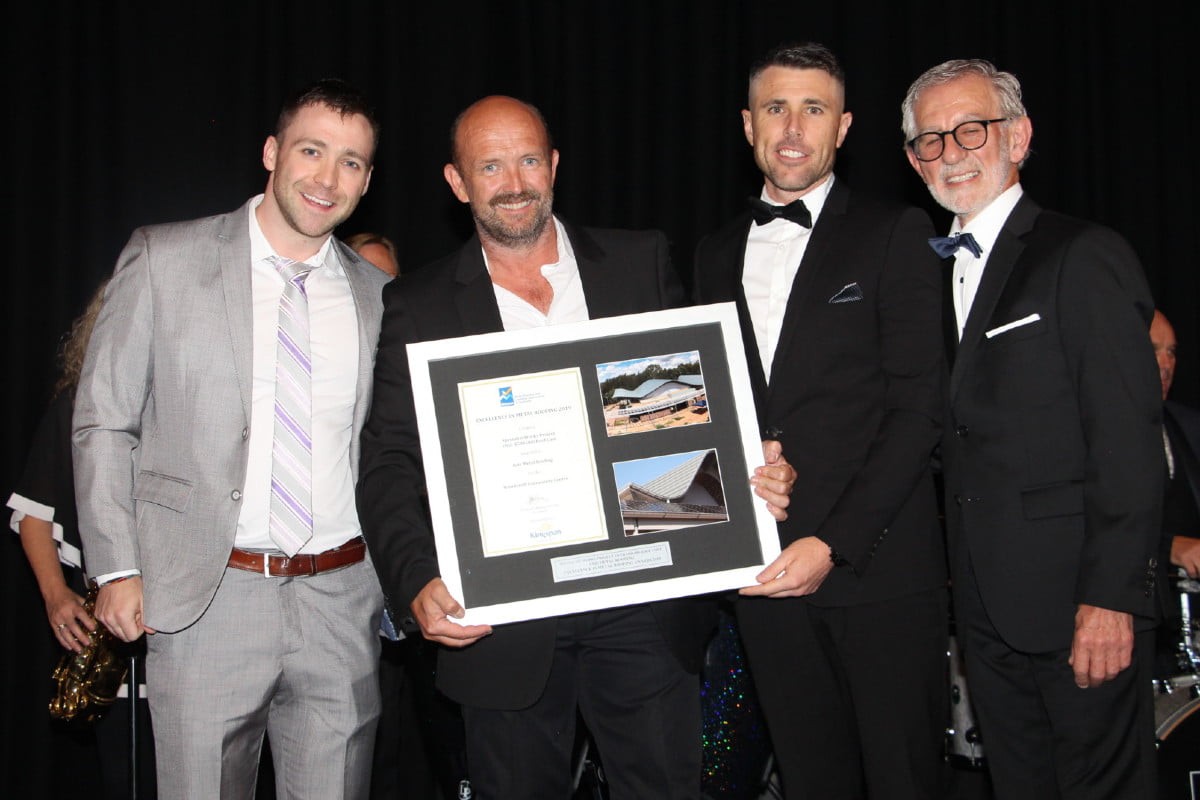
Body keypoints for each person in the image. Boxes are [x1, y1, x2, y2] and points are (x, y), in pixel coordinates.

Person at [357, 95, 795, 798]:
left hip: (644, 604)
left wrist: (752, 460)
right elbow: (387, 463)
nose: (514, 182)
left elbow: (695, 408)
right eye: (490, 166)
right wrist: (414, 580)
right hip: (503, 618)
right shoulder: (419, 303)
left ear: (555, 166)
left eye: (529, 159)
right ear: (457, 183)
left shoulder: (639, 260)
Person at [72, 79, 390, 799]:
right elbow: (103, 420)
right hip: (207, 597)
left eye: (350, 162)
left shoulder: (377, 297)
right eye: (311, 151)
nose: (327, 178)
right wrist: (116, 568)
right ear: (272, 152)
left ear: (367, 181)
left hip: (341, 602)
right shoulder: (165, 258)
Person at [692, 42, 947, 799]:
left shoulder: (897, 232)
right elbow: (706, 411)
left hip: (878, 572)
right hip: (763, 574)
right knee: (810, 780)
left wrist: (831, 543)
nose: (794, 128)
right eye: (776, 108)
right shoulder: (711, 254)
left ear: (844, 127)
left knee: (903, 783)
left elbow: (919, 411)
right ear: (748, 125)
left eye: (814, 109)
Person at [903, 59, 1162, 799]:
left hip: (1080, 603)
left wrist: (1113, 597)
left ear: (1017, 138)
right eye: (930, 139)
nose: (951, 152)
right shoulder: (922, 277)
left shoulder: (1082, 253)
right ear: (914, 161)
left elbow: (1127, 439)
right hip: (983, 608)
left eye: (971, 130)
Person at [7, 280, 158, 799]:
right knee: (127, 779)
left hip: (201, 637)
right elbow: (33, 513)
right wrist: (56, 596)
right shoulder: (78, 405)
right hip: (115, 634)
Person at [1153, 310, 1200, 579]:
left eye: (1171, 352)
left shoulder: (1187, 425)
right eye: (1153, 349)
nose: (1166, 364)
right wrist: (1167, 547)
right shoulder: (1090, 432)